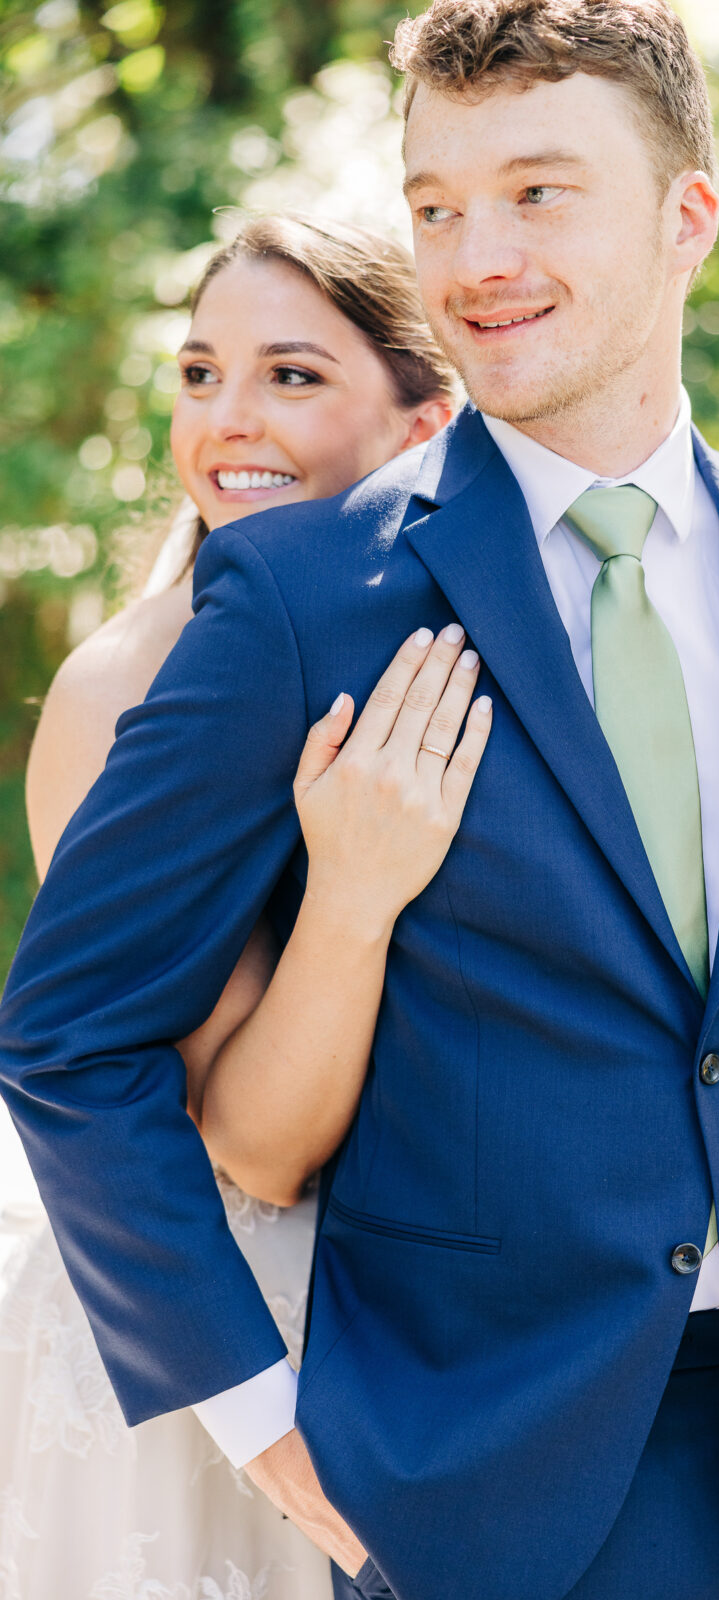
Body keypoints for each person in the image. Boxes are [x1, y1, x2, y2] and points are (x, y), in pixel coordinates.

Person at [0, 4, 719, 1598]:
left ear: (689, 216)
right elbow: (67, 1036)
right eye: (435, 206)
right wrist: (247, 1405)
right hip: (484, 1486)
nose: (475, 256)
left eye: (538, 192)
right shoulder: (297, 601)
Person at [0, 212, 475, 1597]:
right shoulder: (126, 693)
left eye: (292, 375)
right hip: (228, 1341)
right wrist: (356, 893)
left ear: (421, 424)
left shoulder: (447, 650)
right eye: (201, 373)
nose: (228, 418)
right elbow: (253, 1149)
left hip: (429, 1321)